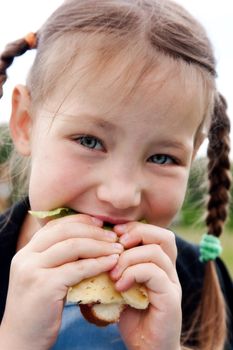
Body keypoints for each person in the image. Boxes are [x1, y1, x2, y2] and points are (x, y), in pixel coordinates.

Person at [0, 0, 232, 349]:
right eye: (90, 141)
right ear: (25, 123)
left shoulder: (198, 280)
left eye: (162, 157)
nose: (122, 195)